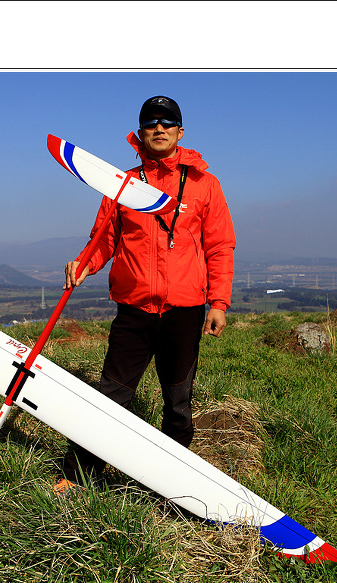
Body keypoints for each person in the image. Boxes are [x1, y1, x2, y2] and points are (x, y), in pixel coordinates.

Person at [54, 96, 236, 494]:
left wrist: (219, 303)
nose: (159, 128)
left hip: (184, 310)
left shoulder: (205, 184)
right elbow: (104, 238)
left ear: (180, 132)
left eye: (167, 122)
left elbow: (220, 246)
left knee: (178, 402)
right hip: (134, 309)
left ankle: (172, 484)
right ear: (140, 133)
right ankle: (80, 476)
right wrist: (84, 263)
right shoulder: (122, 184)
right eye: (151, 122)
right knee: (110, 397)